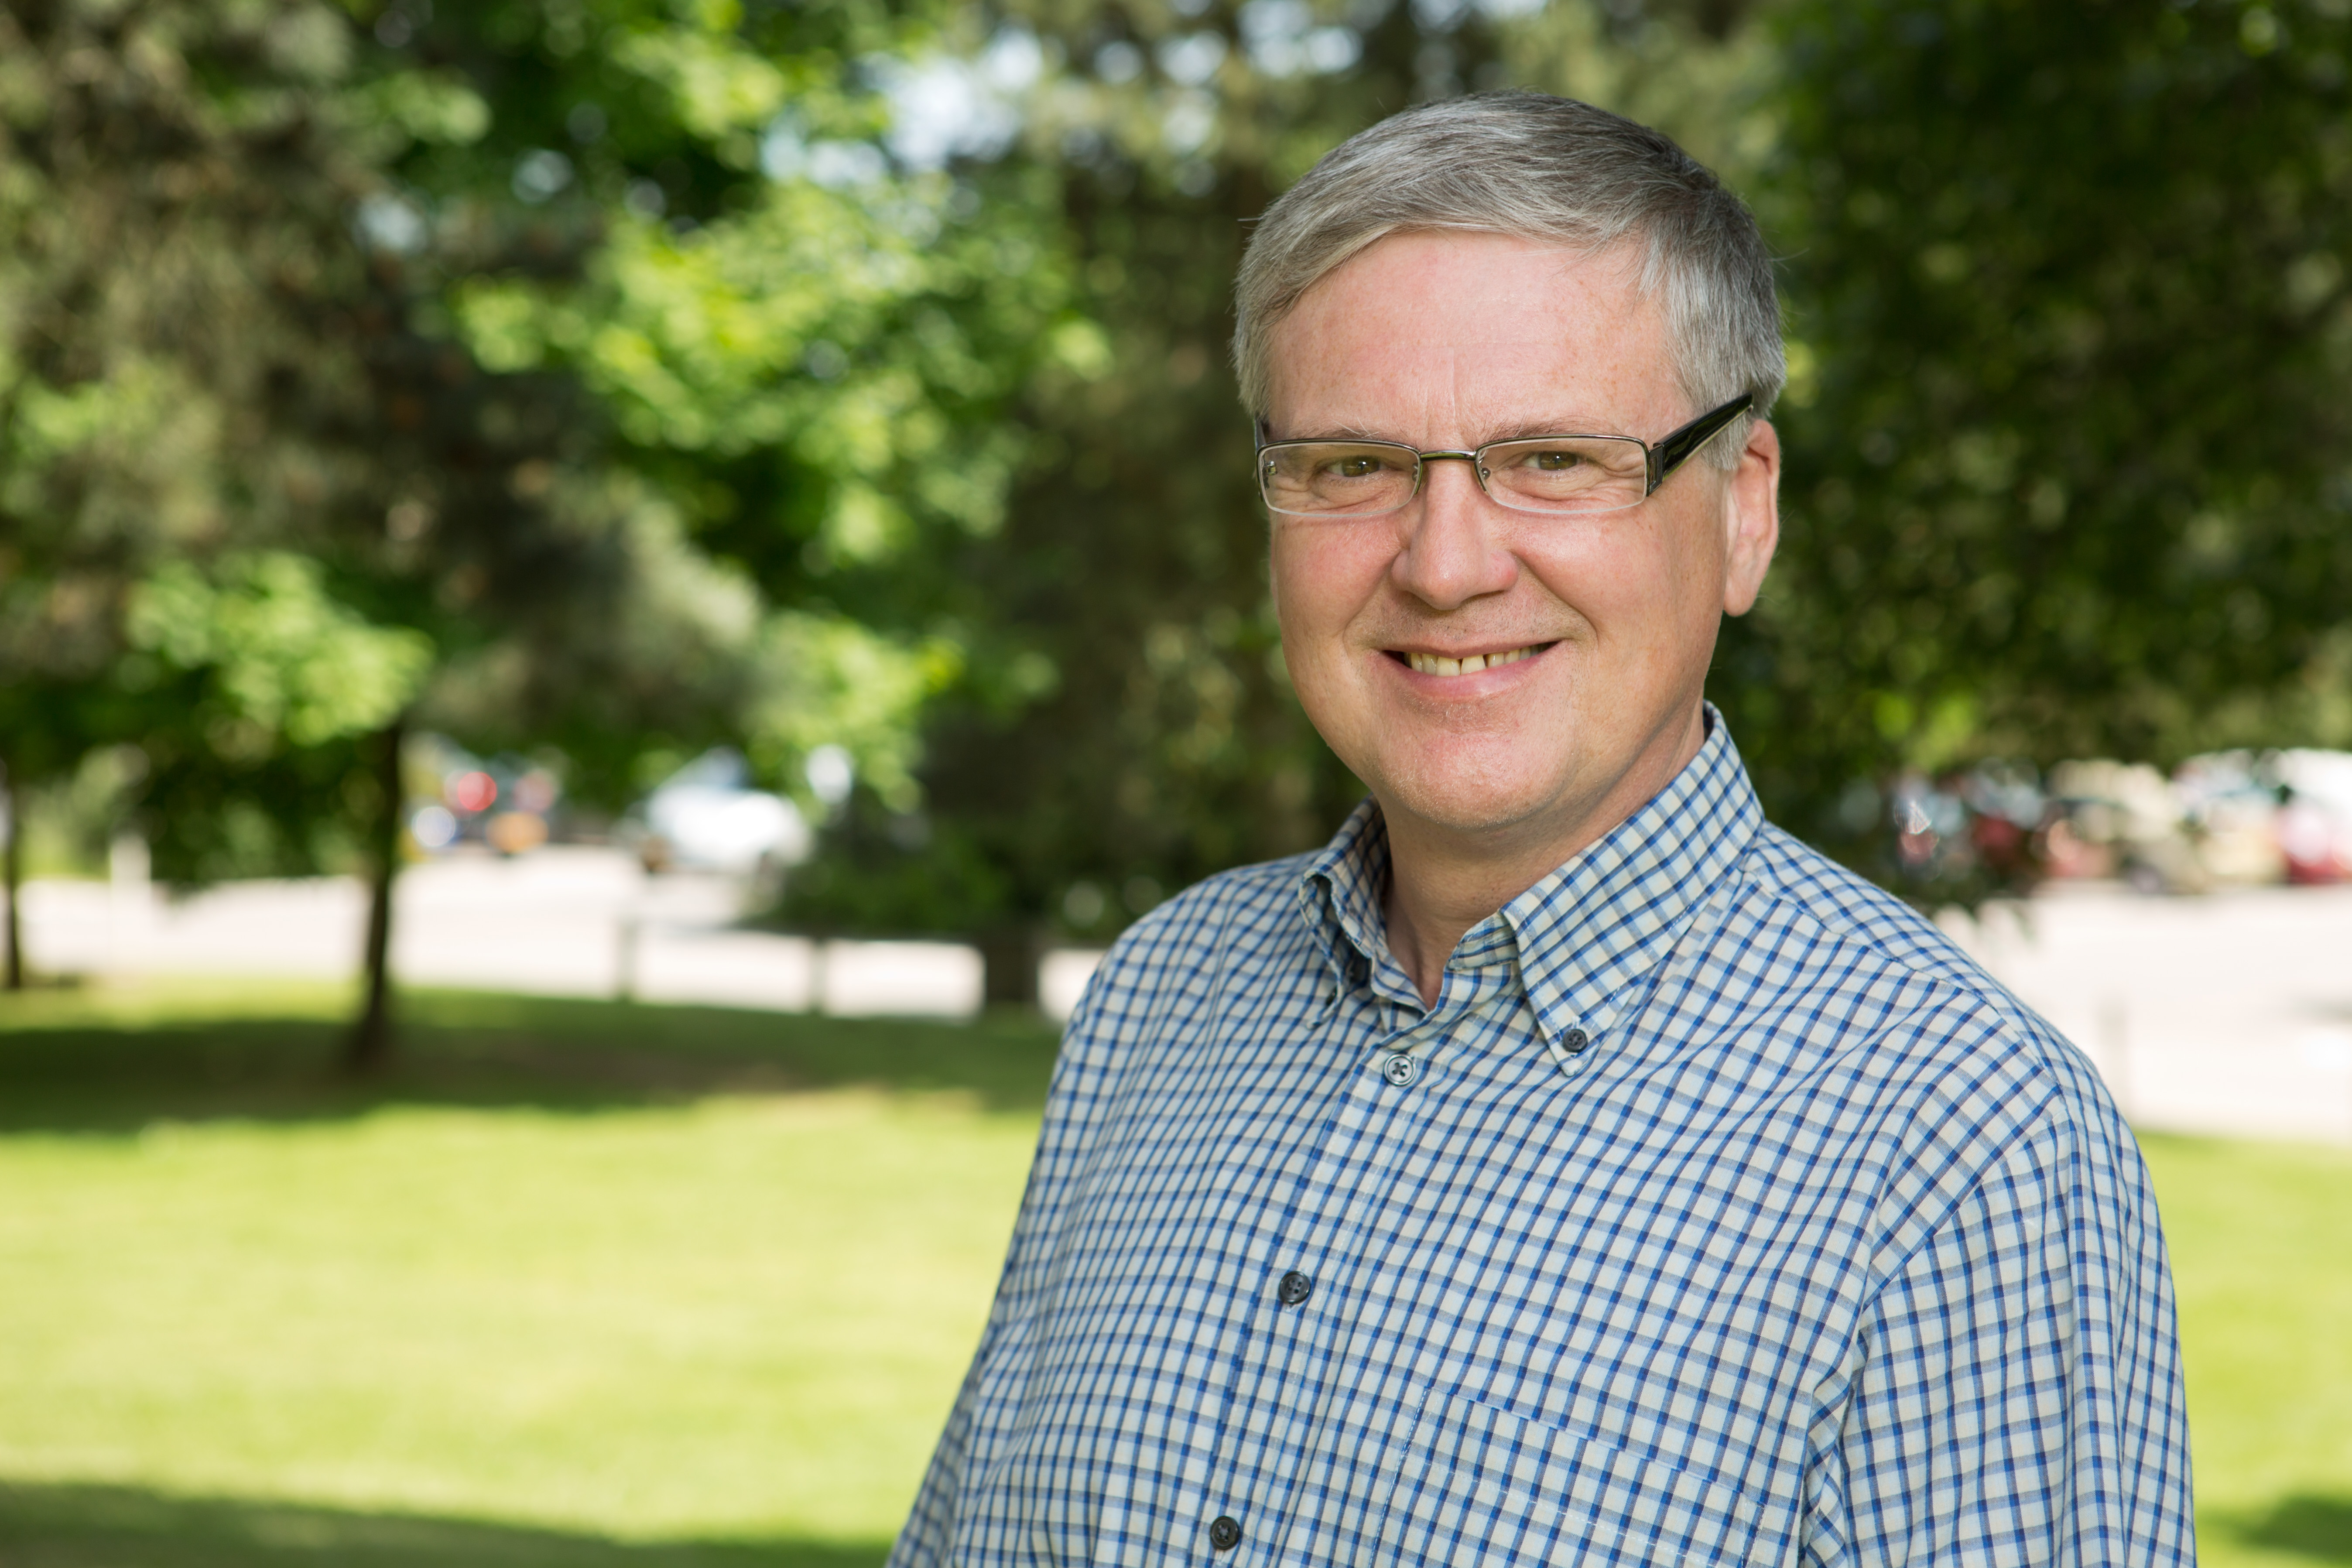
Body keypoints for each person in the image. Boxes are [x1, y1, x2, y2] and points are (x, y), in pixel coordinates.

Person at [891, 92, 2191, 1567]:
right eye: (1353, 465)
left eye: (1557, 460)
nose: (1445, 566)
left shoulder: (1960, 1140)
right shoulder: (1161, 997)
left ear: (1744, 509)